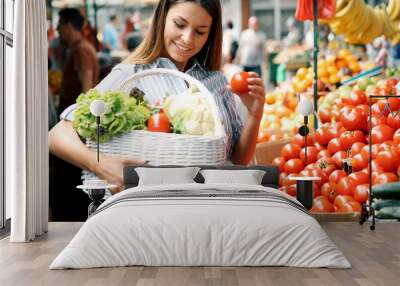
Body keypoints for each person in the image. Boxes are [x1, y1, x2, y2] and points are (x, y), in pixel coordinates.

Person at [49, 0, 266, 196]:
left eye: (200, 31)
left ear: (210, 34)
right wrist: (101, 166)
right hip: (149, 208)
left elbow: (237, 160)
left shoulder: (216, 81)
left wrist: (255, 114)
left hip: (209, 205)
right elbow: (56, 136)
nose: (187, 39)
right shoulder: (130, 75)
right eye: (180, 25)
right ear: (162, 18)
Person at [57, 8, 99, 114]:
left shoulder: (81, 50)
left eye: (59, 25)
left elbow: (87, 88)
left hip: (74, 116)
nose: (57, 29)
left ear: (68, 27)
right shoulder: (79, 47)